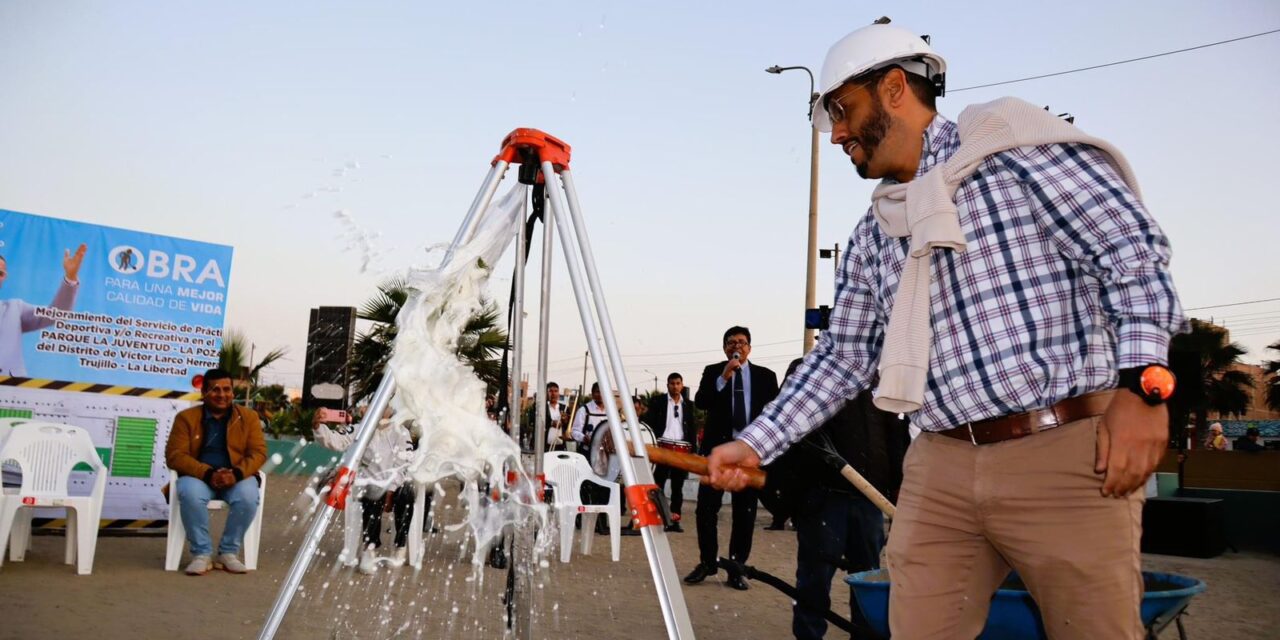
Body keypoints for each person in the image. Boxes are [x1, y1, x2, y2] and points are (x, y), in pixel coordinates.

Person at [708, 20, 1185, 639]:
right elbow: (844, 359)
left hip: (1064, 452)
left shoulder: (1017, 157)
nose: (839, 135)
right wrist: (756, 443)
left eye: (844, 111)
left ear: (896, 88)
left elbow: (1130, 251)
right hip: (939, 465)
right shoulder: (874, 233)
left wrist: (1144, 389)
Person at [770, 359, 910, 639]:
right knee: (815, 580)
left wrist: (900, 486)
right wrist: (792, 500)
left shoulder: (878, 378)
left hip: (869, 501)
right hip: (824, 500)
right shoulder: (807, 370)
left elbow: (895, 435)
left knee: (866, 579)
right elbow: (786, 429)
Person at [686, 326, 779, 590]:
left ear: (750, 347)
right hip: (718, 454)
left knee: (745, 513)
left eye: (741, 342)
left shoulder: (766, 376)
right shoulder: (713, 371)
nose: (736, 346)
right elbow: (702, 402)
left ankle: (736, 568)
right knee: (706, 510)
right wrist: (723, 379)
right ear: (724, 348)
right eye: (730, 343)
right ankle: (707, 562)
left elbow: (773, 415)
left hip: (750, 454)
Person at [165, 368, 267, 575]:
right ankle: (201, 554)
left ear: (233, 393)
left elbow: (258, 453)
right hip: (198, 477)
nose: (222, 395)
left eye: (227, 389)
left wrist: (236, 474)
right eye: (215, 389)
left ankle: (228, 553)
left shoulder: (248, 417)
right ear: (204, 393)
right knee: (190, 494)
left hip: (236, 477)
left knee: (248, 496)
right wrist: (208, 473)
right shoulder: (186, 418)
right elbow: (175, 455)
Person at [312, 408, 418, 574]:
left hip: (395, 483)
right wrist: (319, 426)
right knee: (373, 489)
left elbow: (404, 463)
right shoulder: (360, 428)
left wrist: (390, 489)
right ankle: (370, 547)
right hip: (369, 482)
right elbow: (336, 440)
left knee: (407, 493)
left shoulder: (401, 431)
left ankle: (400, 545)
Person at [0, 244, 86, 376]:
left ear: (4, 278)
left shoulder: (14, 308)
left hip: (11, 391)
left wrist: (70, 277)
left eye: (0, 273)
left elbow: (55, 314)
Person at [648, 372, 696, 532]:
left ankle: (675, 519)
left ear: (682, 385)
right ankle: (657, 517)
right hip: (662, 447)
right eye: (672, 383)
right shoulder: (658, 402)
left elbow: (692, 427)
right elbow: (650, 423)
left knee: (678, 487)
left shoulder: (688, 404)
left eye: (678, 383)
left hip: (681, 450)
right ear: (667, 385)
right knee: (658, 484)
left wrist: (693, 450)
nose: (675, 387)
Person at [570, 382, 614, 534]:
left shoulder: (611, 410)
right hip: (587, 453)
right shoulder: (585, 410)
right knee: (586, 486)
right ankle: (582, 519)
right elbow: (574, 431)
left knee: (604, 487)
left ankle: (602, 522)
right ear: (592, 393)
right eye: (596, 392)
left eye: (602, 392)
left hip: (605, 455)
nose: (599, 395)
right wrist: (584, 438)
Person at [526, 381, 569, 452]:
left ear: (559, 393)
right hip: (543, 447)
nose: (553, 394)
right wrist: (551, 423)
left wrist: (565, 421)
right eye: (550, 391)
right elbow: (532, 420)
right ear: (546, 393)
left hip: (560, 447)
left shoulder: (564, 408)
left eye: (556, 391)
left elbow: (568, 426)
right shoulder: (539, 406)